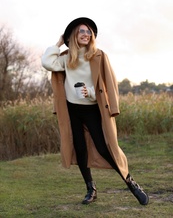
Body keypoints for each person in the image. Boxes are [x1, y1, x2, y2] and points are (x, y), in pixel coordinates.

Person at [41, 17, 149, 206]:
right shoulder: (66, 58)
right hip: (72, 110)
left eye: (88, 31)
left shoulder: (98, 56)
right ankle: (91, 189)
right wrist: (59, 42)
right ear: (74, 35)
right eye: (81, 31)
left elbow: (109, 83)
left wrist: (90, 92)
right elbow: (47, 62)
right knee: (80, 149)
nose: (86, 34)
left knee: (105, 148)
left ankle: (131, 183)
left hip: (92, 110)